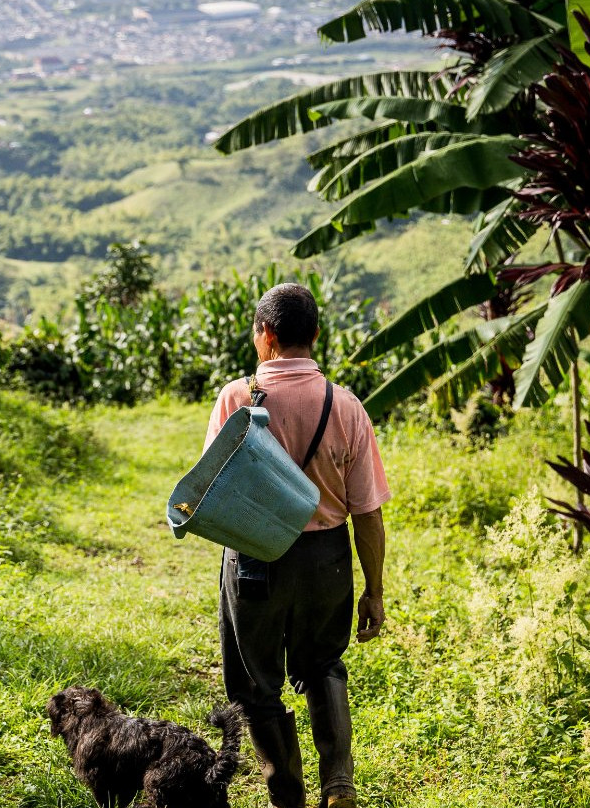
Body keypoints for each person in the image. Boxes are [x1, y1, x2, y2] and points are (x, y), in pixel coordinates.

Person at [204, 283, 389, 808]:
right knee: (325, 665)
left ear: (265, 337)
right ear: (314, 335)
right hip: (326, 560)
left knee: (256, 686)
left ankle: (288, 795)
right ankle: (338, 784)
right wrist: (374, 591)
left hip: (255, 561)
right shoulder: (346, 406)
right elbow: (368, 513)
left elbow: (214, 492)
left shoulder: (236, 399)